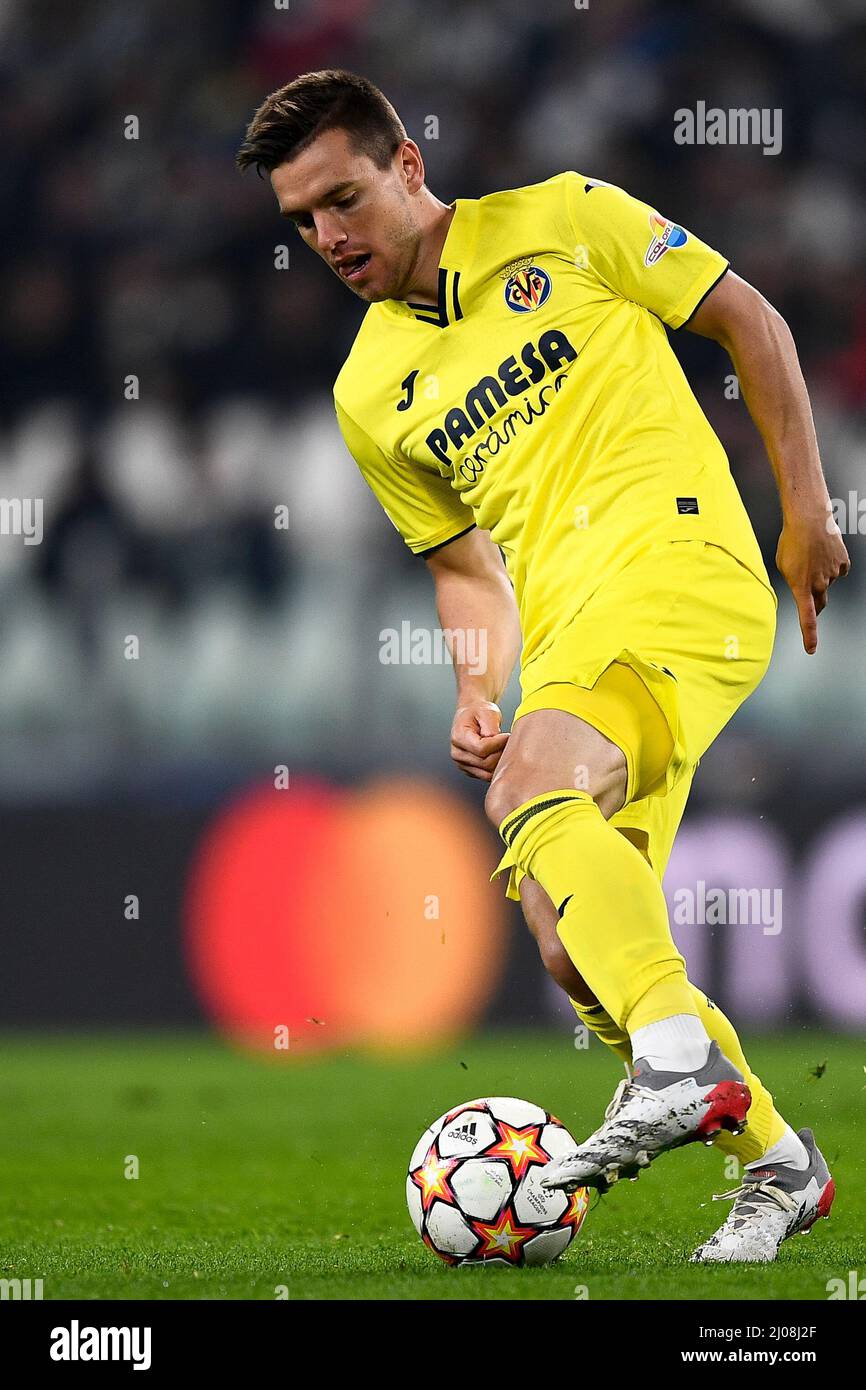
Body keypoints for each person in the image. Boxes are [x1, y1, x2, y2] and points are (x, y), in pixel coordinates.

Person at [237, 68, 849, 1261]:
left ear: (407, 162)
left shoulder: (564, 215)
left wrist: (806, 510)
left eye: (343, 199)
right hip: (572, 638)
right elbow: (463, 569)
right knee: (570, 939)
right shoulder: (368, 391)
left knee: (528, 794)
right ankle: (777, 1160)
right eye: (301, 221)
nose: (327, 237)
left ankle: (675, 1061)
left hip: (683, 563)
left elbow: (750, 321)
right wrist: (476, 688)